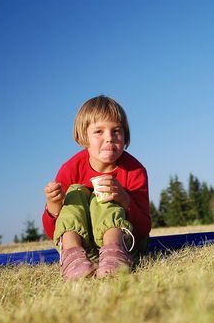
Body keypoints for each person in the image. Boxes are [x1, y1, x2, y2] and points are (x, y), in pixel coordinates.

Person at [42, 95, 151, 281]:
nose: (109, 138)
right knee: (76, 192)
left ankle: (114, 256)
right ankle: (73, 259)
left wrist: (125, 200)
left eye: (116, 131)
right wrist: (53, 205)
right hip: (82, 248)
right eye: (99, 131)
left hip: (124, 246)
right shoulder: (70, 169)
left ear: (125, 136)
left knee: (105, 196)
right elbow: (52, 231)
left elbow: (143, 229)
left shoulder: (135, 170)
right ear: (83, 137)